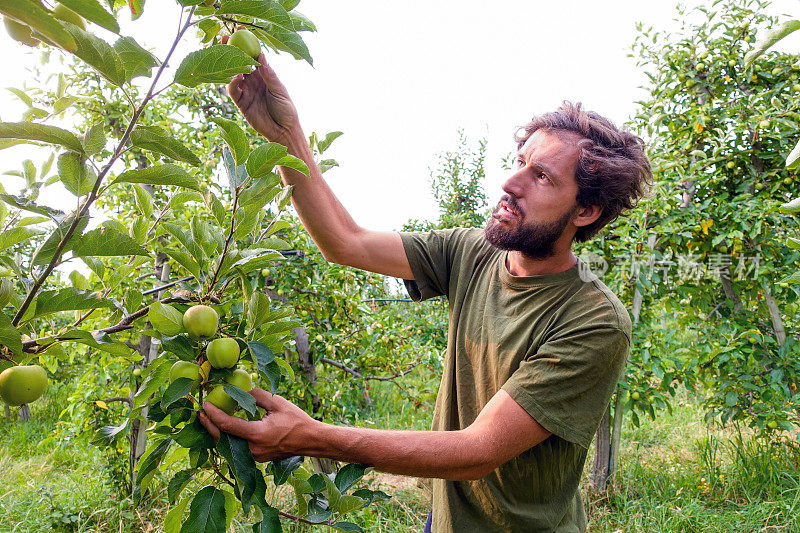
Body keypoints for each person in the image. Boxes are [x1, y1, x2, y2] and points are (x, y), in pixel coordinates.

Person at [198, 54, 651, 532]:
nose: (510, 182)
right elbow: (344, 241)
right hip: (448, 520)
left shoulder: (594, 320)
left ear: (585, 212)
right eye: (520, 162)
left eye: (541, 177)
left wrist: (311, 436)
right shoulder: (473, 252)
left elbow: (477, 451)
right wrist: (285, 138)